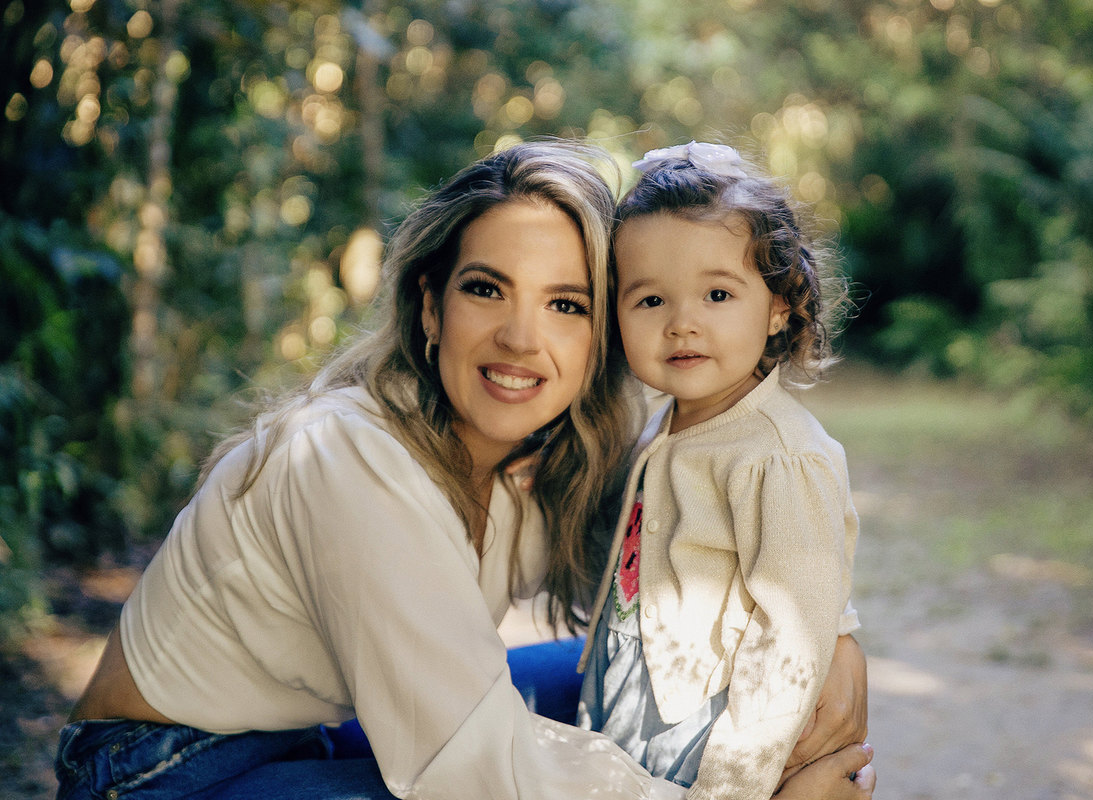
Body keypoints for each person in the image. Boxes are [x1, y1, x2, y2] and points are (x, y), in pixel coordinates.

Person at [56, 141, 873, 799]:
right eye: (487, 289)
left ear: (600, 335)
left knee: (629, 674)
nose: (522, 339)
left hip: (301, 741)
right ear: (429, 306)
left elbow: (709, 568)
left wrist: (827, 633)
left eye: (566, 303)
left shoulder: (544, 464)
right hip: (160, 773)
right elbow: (466, 763)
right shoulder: (345, 456)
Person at [576, 141, 871, 800]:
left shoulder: (780, 456)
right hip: (631, 686)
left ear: (780, 306)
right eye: (650, 301)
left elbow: (788, 642)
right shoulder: (666, 423)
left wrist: (732, 788)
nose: (683, 323)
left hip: (710, 723)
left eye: (717, 293)